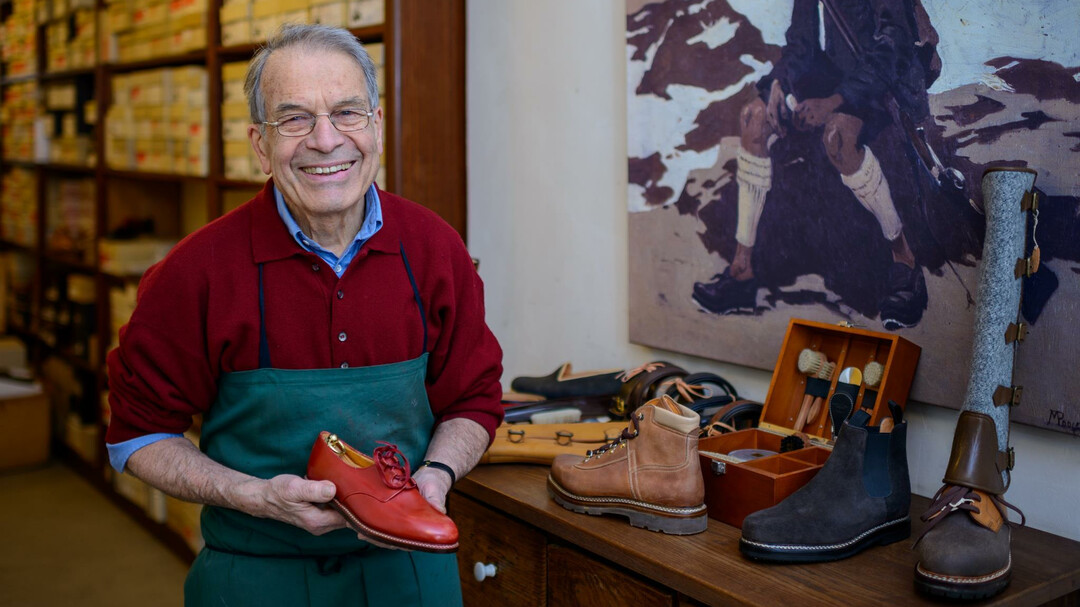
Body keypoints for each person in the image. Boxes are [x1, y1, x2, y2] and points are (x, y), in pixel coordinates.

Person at [104, 24, 503, 606]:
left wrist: (436, 476)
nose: (325, 139)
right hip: (255, 576)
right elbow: (138, 435)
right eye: (294, 119)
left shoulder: (434, 249)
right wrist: (254, 496)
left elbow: (473, 399)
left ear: (377, 125)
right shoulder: (196, 272)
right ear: (260, 145)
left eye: (347, 113)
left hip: (408, 575)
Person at [693, 0, 931, 329]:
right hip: (834, 81)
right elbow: (800, 43)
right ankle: (741, 270)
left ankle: (904, 260)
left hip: (880, 85)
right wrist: (778, 83)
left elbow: (895, 44)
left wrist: (835, 100)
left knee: (837, 136)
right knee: (754, 117)